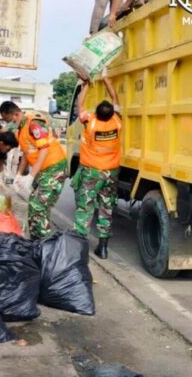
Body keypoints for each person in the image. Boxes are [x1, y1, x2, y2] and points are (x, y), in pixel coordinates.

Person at [73, 77, 121, 259]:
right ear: (111, 113)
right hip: (112, 173)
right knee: (106, 208)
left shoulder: (90, 123)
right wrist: (107, 79)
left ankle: (79, 247)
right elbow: (115, 98)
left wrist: (86, 85)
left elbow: (80, 106)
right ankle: (103, 248)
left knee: (85, 207)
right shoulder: (117, 122)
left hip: (92, 172)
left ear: (97, 113)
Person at [9, 108, 68, 240]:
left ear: (16, 114)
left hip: (54, 168)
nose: (11, 123)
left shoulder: (35, 123)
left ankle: (44, 245)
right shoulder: (21, 130)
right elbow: (26, 153)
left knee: (38, 206)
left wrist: (31, 176)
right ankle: (37, 242)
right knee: (35, 204)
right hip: (42, 170)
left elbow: (44, 149)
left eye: (11, 120)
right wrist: (18, 175)